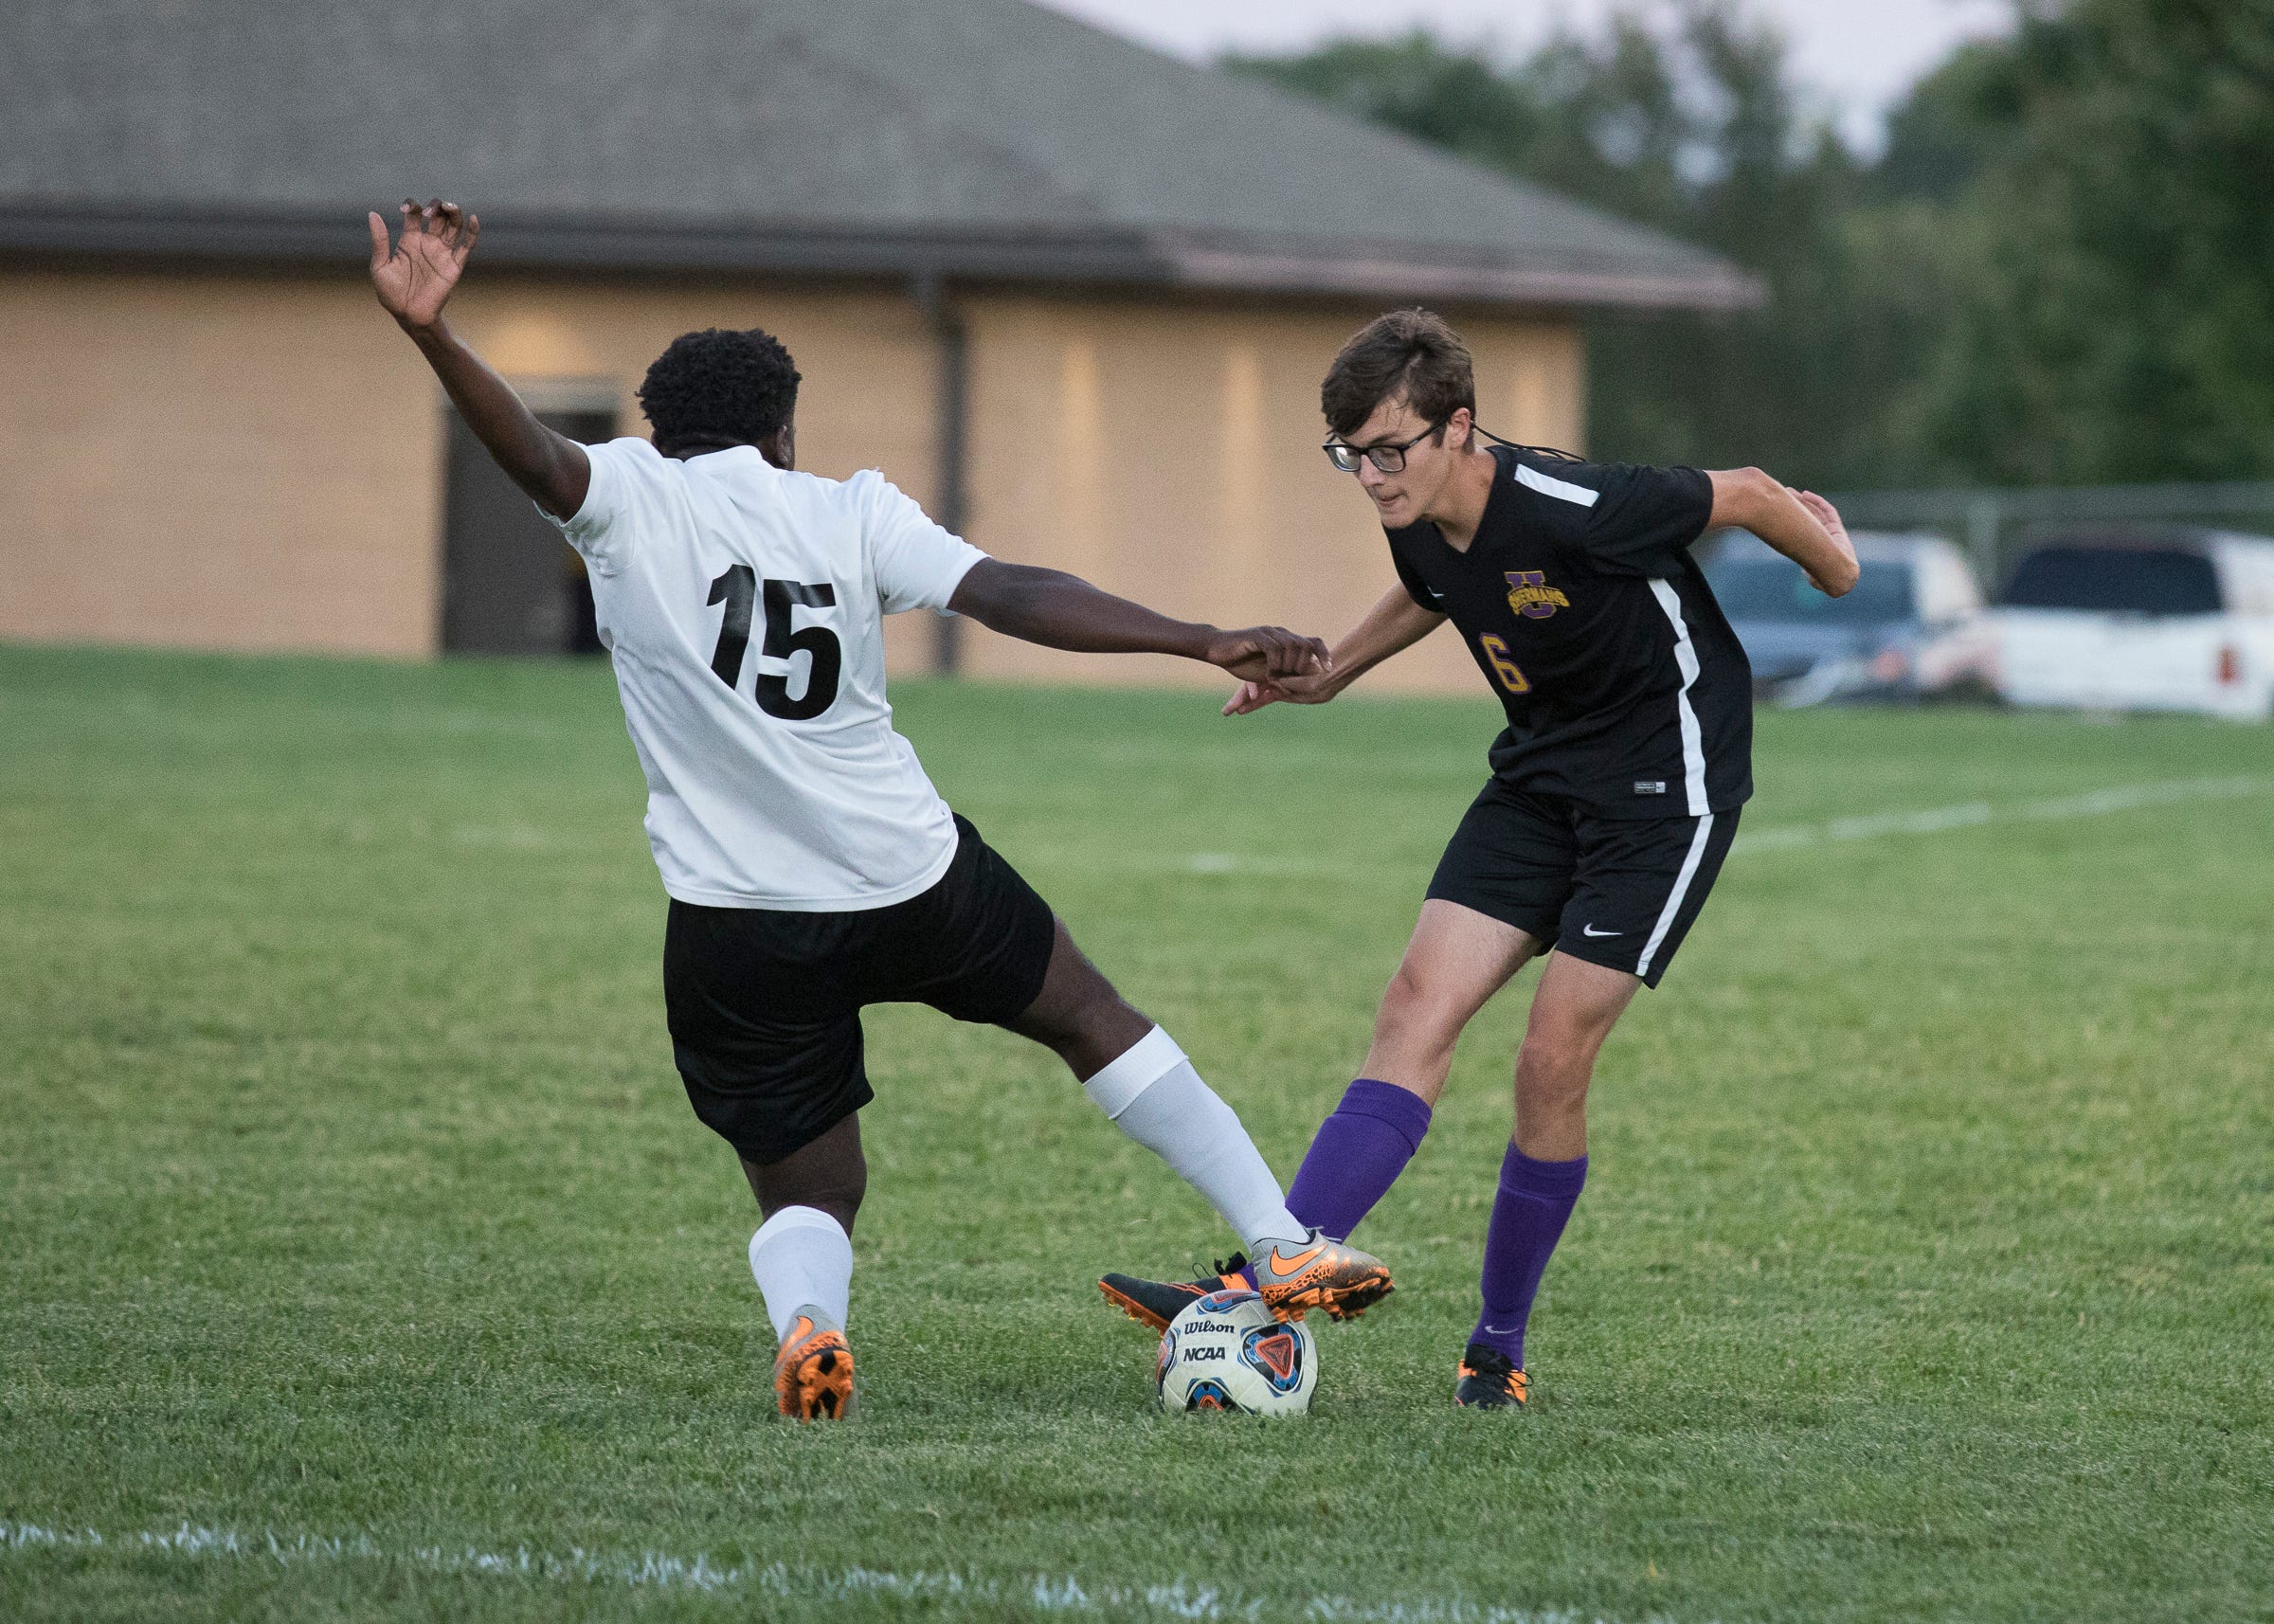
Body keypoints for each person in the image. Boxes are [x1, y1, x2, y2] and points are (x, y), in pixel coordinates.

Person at [369, 199, 1392, 1421]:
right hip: (912, 878)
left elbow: (536, 456)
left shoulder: (628, 494)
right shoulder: (849, 508)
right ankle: (1277, 1236)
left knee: (814, 1184)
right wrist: (1198, 637)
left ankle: (811, 1324)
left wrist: (433, 334)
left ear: (661, 430)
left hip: (737, 920)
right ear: (784, 429)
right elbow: (1008, 592)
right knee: (1091, 1018)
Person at [1097, 309, 1857, 1408]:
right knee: (1415, 1006)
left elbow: (1743, 491)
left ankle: (1497, 1347)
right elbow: (1436, 585)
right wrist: (1334, 670)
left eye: (1389, 451)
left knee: (1550, 1058)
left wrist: (1836, 567)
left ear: (1459, 426)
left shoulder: (1576, 503)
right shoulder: (1413, 512)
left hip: (1663, 793)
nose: (1370, 477)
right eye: (1350, 455)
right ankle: (1277, 1267)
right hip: (1539, 779)